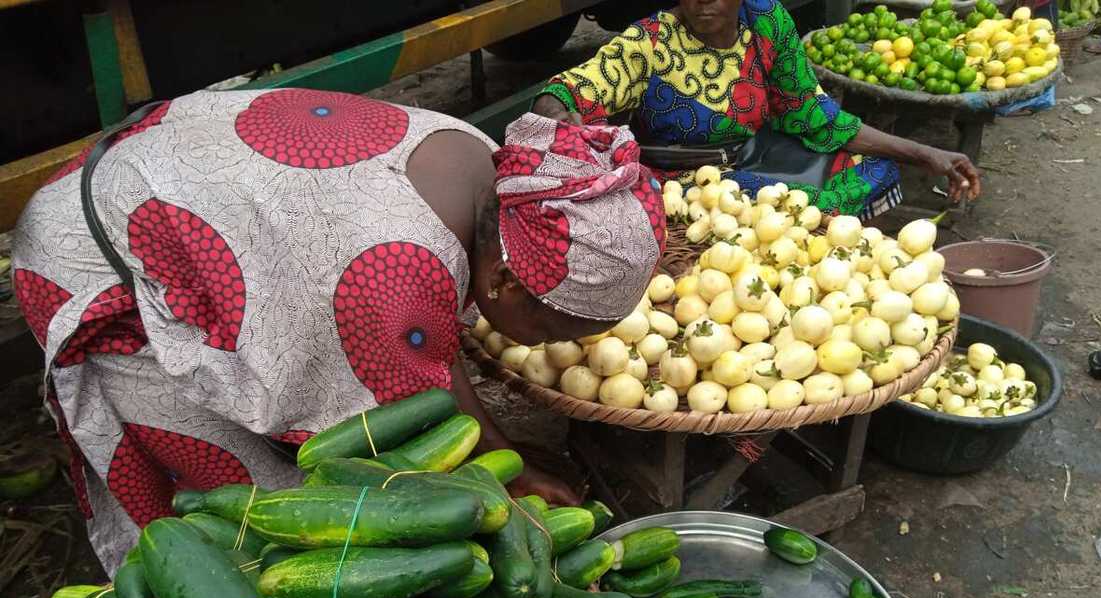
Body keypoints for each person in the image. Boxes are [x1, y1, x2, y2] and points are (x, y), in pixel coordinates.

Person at [11, 90, 665, 570]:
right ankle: (185, 595)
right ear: (503, 284)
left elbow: (426, 354)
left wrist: (505, 459)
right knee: (258, 502)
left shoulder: (493, 175)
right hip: (98, 254)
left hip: (171, 177)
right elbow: (384, 427)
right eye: (554, 329)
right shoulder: (397, 276)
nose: (554, 346)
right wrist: (495, 499)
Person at [534, 0, 982, 218]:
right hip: (679, 183)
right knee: (780, 210)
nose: (702, 1)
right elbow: (572, 89)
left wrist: (925, 153)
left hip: (756, 156)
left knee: (875, 169)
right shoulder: (649, 42)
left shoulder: (767, 22)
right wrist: (559, 113)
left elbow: (813, 114)